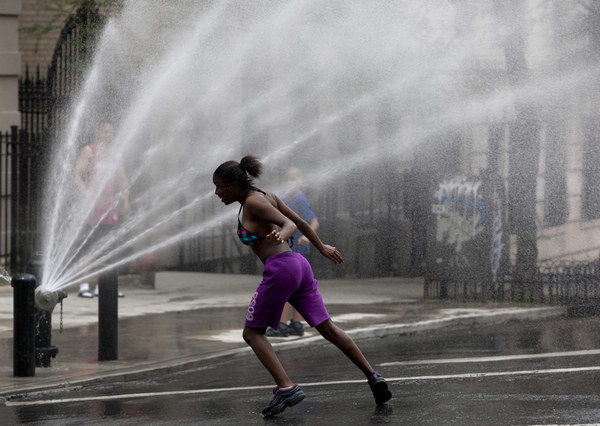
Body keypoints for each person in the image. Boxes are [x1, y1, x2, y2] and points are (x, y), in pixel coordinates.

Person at [212, 155, 392, 418]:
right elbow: (303, 223)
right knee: (327, 327)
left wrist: (284, 234)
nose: (217, 193)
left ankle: (286, 387)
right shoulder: (266, 195)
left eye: (219, 186)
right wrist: (322, 247)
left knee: (252, 334)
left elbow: (291, 224)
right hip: (299, 266)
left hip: (281, 269)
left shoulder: (253, 202)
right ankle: (373, 376)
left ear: (232, 183)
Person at [75, 122, 130, 298]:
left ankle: (103, 285)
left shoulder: (114, 155)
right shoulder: (89, 150)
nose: (108, 135)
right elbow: (77, 174)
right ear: (98, 132)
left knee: (106, 246)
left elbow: (123, 180)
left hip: (109, 206)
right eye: (105, 131)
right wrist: (86, 195)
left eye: (110, 132)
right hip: (92, 207)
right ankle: (84, 286)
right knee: (89, 247)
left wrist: (126, 202)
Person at [265, 167, 319, 337]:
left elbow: (314, 221)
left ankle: (280, 325)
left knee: (285, 287)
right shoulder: (286, 199)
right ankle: (296, 324)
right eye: (287, 179)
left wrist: (307, 237)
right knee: (296, 289)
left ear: (299, 181)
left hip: (297, 250)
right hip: (289, 248)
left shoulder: (300, 199)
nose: (289, 182)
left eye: (293, 178)